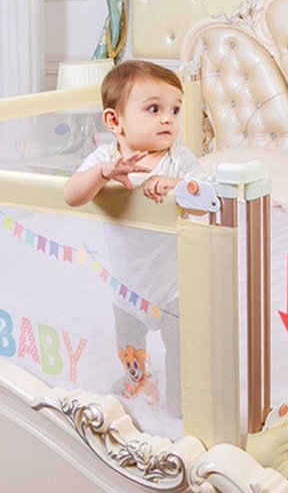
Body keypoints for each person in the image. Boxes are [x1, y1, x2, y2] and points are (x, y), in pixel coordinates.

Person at [64, 59, 202, 418]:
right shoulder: (104, 158)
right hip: (126, 283)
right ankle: (136, 378)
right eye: (154, 109)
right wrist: (104, 173)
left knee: (180, 348)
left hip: (173, 284)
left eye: (175, 109)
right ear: (114, 121)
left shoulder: (179, 160)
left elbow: (207, 198)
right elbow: (72, 195)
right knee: (129, 343)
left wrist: (177, 187)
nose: (168, 118)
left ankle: (180, 400)